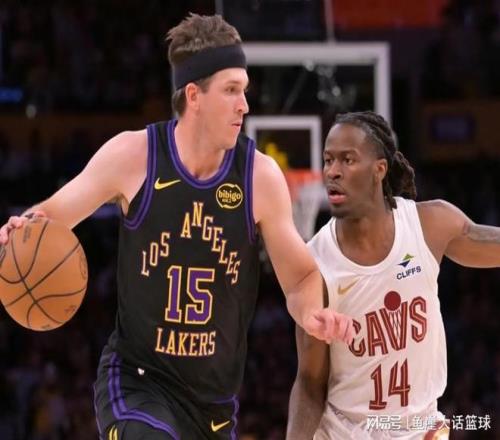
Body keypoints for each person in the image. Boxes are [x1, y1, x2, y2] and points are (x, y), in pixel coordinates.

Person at [0, 14, 354, 439]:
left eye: (244, 90)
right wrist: (22, 230)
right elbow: (53, 216)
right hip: (137, 382)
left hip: (213, 407)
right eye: (231, 90)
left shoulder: (259, 177)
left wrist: (312, 312)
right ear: (193, 95)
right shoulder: (134, 156)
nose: (244, 104)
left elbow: (300, 278)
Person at [286, 111, 500, 440]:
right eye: (328, 160)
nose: (332, 172)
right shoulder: (315, 263)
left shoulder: (428, 225)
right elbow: (310, 381)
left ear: (379, 169)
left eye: (347, 160)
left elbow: (486, 243)